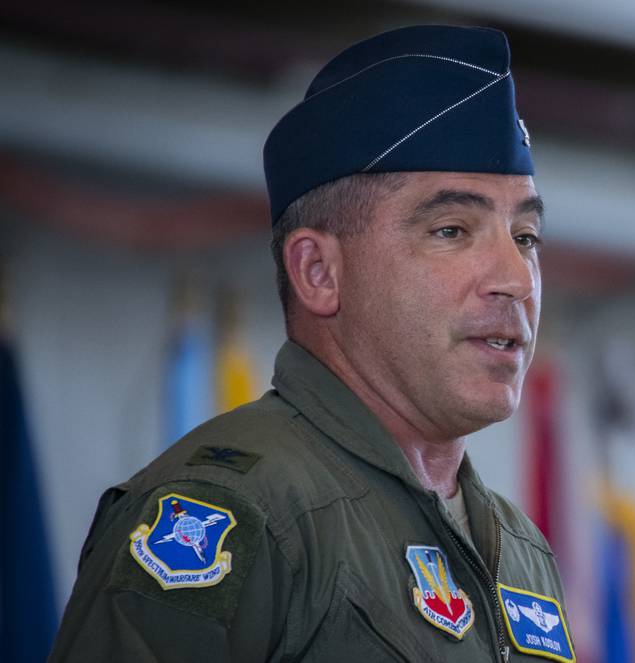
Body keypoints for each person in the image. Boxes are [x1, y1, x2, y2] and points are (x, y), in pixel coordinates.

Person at [50, 25, 574, 663]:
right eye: (451, 230)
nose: (517, 280)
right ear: (319, 273)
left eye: (525, 237)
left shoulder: (520, 552)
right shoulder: (236, 515)